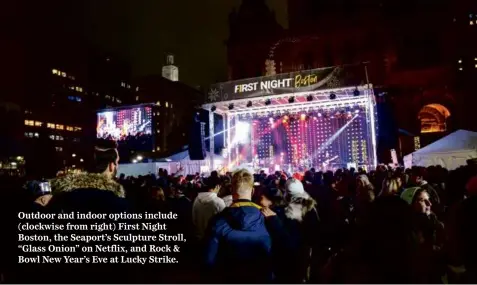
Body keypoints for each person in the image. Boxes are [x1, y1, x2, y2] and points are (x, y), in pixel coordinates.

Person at [203, 169, 273, 283]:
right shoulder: (268, 218)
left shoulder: (217, 221)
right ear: (253, 191)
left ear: (231, 190)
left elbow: (208, 260)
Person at [192, 177, 226, 241]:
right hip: (213, 240)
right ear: (217, 186)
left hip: (198, 237)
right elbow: (223, 224)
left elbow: (194, 219)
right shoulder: (218, 202)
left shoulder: (196, 199)